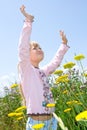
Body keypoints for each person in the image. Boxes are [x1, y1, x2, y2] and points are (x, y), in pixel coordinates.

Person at [18, 5, 69, 130]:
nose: (39, 49)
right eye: (35, 48)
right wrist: (28, 22)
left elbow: (55, 62)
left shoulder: (43, 72)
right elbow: (23, 48)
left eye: (40, 47)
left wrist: (63, 45)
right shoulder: (26, 70)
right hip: (37, 124)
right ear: (27, 55)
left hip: (52, 122)